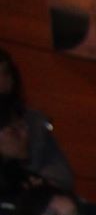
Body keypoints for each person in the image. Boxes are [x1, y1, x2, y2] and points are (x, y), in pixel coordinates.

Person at [0, 50, 74, 191]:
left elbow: (62, 175)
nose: (3, 80)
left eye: (6, 73)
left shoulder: (33, 122)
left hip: (33, 200)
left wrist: (25, 164)